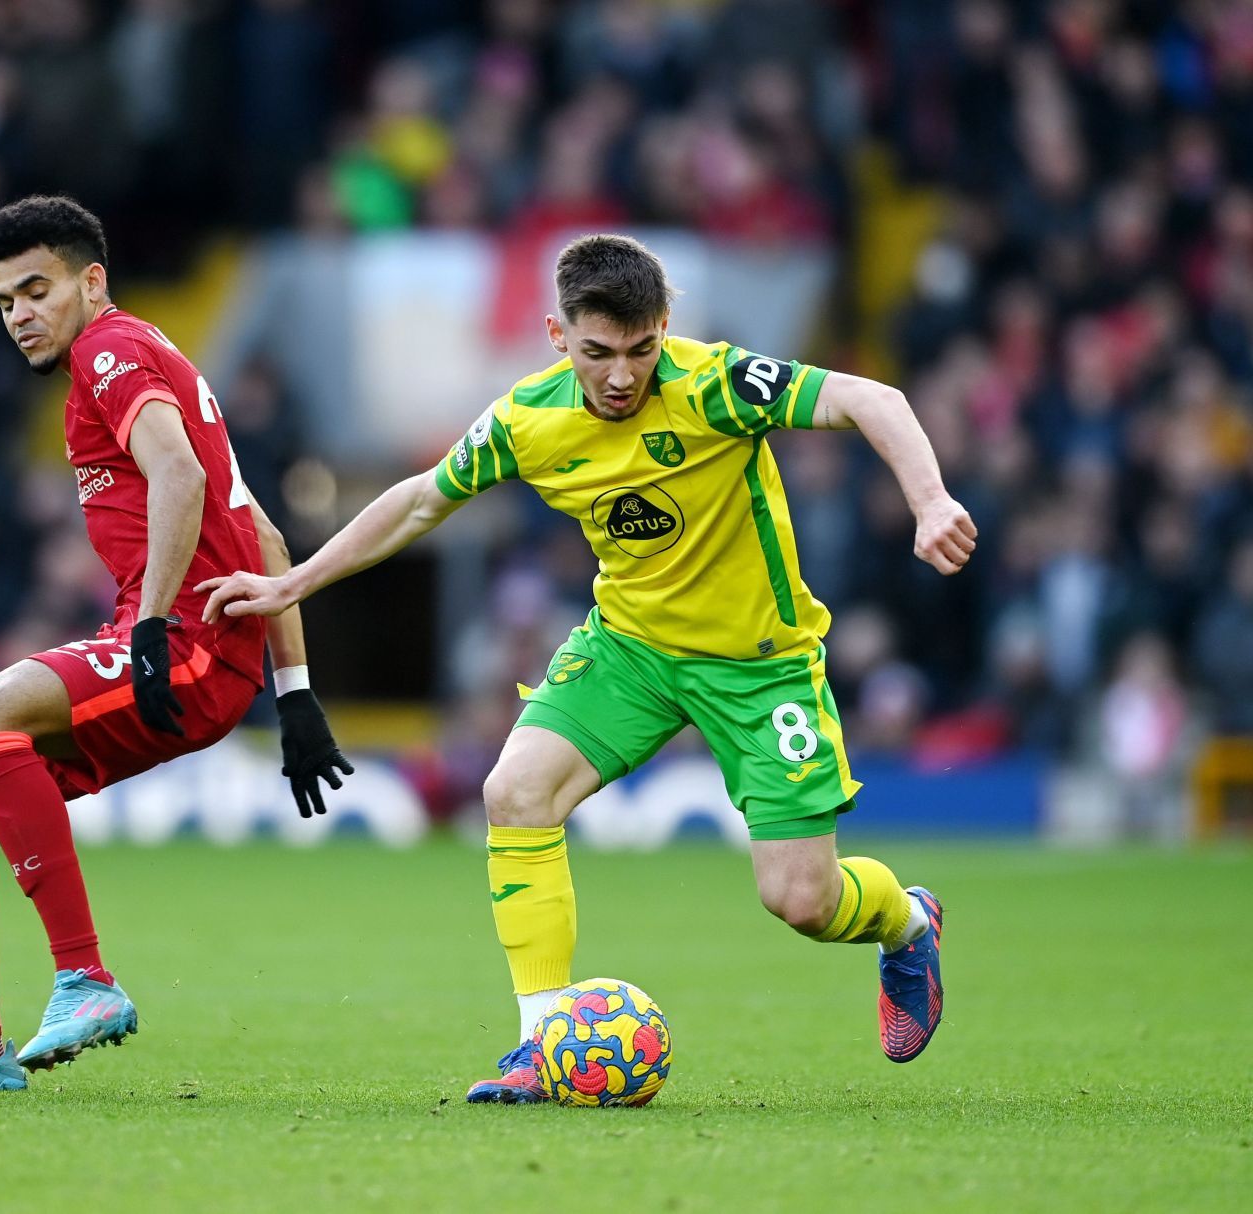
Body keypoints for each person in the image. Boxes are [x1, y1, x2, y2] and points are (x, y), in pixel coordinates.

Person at [202, 234, 975, 1102]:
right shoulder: (528, 421)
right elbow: (422, 498)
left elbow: (872, 397)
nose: (621, 375)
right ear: (557, 335)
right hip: (631, 649)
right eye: (598, 352)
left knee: (801, 900)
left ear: (664, 331)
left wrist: (930, 497)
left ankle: (907, 922)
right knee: (514, 793)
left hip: (759, 664)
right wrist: (296, 579)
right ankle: (540, 1044)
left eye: (641, 350)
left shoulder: (714, 384)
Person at [0, 196, 350, 1093]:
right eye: (6, 301)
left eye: (37, 290)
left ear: (92, 281)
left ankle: (84, 977)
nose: (21, 316)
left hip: (183, 643)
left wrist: (157, 625)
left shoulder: (108, 351)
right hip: (200, 648)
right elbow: (266, 539)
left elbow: (181, 475)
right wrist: (297, 695)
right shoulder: (159, 359)